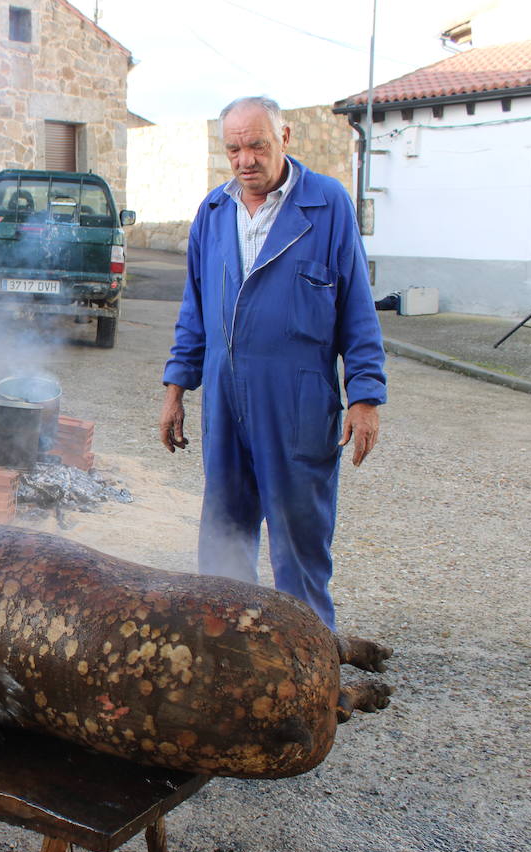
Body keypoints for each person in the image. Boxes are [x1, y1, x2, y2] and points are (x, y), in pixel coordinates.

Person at [157, 96, 386, 631]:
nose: (244, 160)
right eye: (233, 148)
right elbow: (194, 307)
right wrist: (175, 388)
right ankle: (231, 658)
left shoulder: (326, 205)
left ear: (284, 137)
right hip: (226, 398)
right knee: (223, 539)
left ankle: (311, 667)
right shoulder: (214, 211)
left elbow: (356, 308)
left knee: (299, 544)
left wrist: (366, 397)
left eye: (256, 145)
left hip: (297, 400)